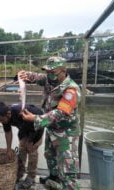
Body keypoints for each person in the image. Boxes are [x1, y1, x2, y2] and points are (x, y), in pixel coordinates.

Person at [19, 56, 81, 190]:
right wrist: (26, 75)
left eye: (52, 72)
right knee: (50, 156)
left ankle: (69, 186)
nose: (49, 75)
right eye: (48, 71)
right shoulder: (50, 80)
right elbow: (37, 77)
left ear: (63, 71)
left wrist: (36, 119)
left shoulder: (71, 90)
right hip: (52, 129)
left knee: (67, 168)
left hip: (66, 133)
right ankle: (53, 178)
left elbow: (60, 113)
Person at [0, 102, 44, 189]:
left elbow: (41, 124)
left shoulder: (22, 112)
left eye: (2, 120)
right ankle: (20, 172)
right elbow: (8, 132)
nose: (1, 122)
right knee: (22, 149)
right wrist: (8, 149)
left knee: (32, 151)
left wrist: (33, 141)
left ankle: (31, 176)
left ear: (8, 114)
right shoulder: (4, 116)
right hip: (24, 129)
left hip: (37, 128)